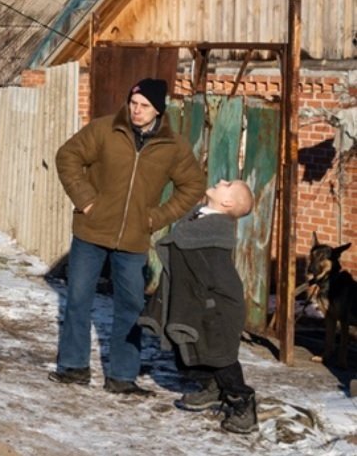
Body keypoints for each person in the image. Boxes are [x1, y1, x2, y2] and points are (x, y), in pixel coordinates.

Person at [51, 78, 206, 394]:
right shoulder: (105, 130)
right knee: (78, 300)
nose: (136, 111)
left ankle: (122, 376)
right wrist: (86, 200)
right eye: (133, 104)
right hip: (91, 231)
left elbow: (192, 185)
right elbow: (67, 156)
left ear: (158, 110)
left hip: (134, 239)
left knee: (131, 308)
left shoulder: (172, 147)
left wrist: (157, 217)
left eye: (144, 106)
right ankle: (73, 367)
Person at [139, 179, 258, 434]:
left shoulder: (214, 236)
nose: (222, 180)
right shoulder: (202, 220)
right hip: (200, 300)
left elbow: (218, 278)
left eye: (229, 184)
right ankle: (211, 388)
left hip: (217, 305)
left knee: (220, 356)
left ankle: (243, 405)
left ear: (226, 203)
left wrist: (210, 307)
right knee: (191, 349)